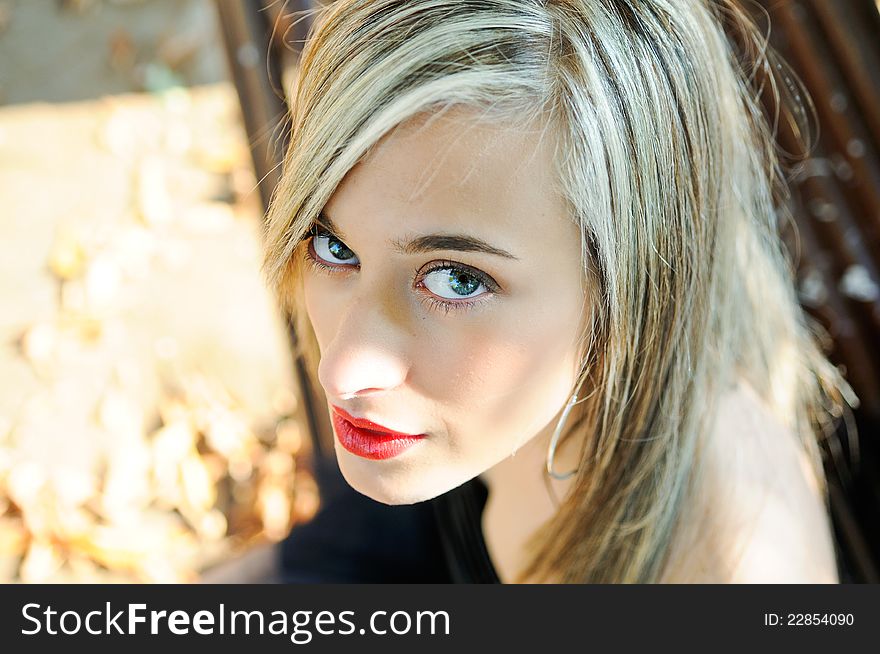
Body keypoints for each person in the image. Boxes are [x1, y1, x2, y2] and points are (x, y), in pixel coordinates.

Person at [263, 0, 858, 583]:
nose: (341, 371)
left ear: (633, 283)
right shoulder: (461, 415)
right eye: (333, 247)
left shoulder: (726, 573)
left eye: (457, 279)